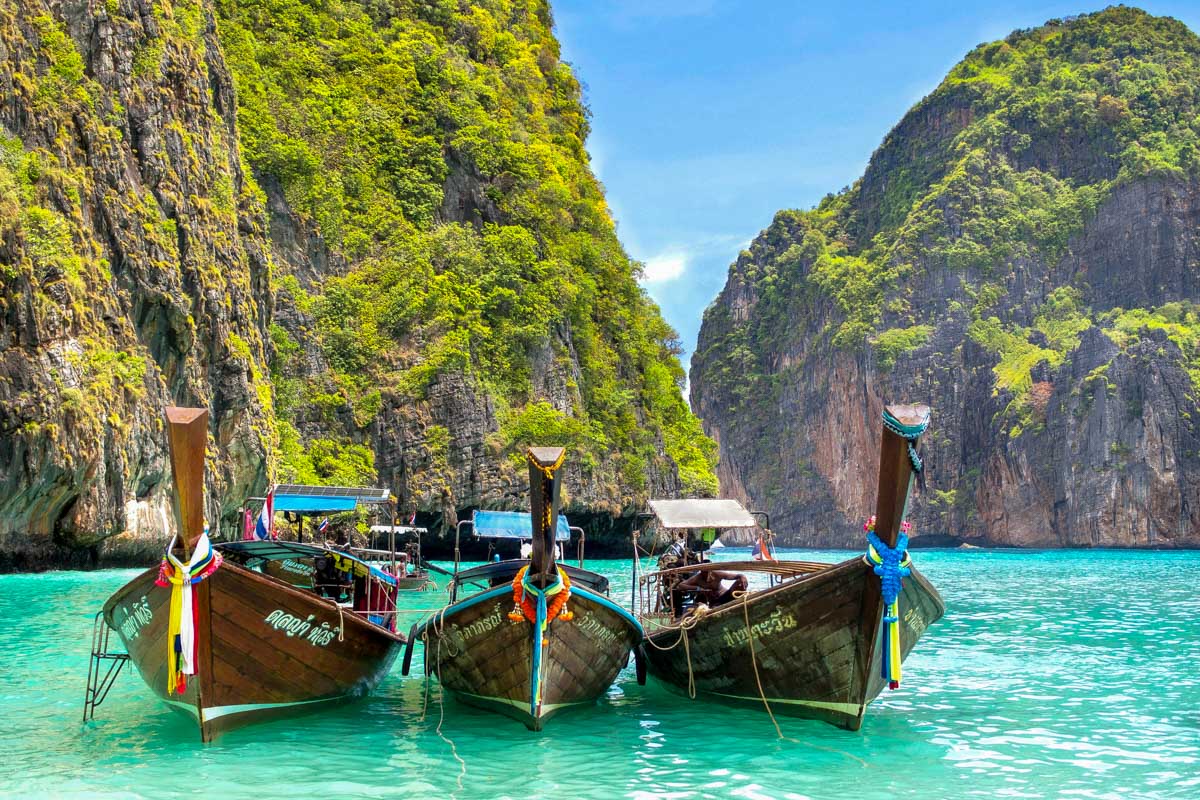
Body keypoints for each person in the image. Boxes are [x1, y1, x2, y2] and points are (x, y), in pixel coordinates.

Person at [676, 567, 748, 610]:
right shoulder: (697, 578)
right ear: (701, 571)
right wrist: (698, 588)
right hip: (714, 602)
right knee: (712, 607)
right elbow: (680, 585)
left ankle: (742, 601)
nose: (706, 574)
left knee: (739, 582)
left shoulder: (717, 573)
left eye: (708, 571)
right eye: (704, 572)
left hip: (725, 595)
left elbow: (735, 576)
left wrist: (742, 576)